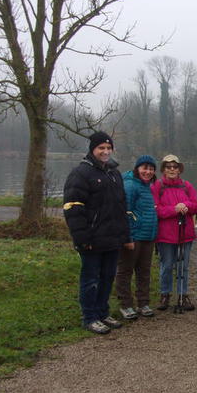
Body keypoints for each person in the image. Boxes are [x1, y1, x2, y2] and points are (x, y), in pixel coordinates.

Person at [63, 131, 131, 334]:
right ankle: (90, 317)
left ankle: (102, 312)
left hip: (112, 239)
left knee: (107, 277)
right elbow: (73, 207)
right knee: (90, 279)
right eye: (101, 148)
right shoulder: (81, 173)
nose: (106, 151)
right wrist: (82, 238)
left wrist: (125, 235)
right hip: (91, 239)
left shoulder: (114, 173)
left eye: (109, 148)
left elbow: (121, 207)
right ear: (92, 149)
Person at [151, 154, 197, 312]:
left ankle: (182, 294)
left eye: (175, 166)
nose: (172, 169)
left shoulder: (187, 186)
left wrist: (186, 205)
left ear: (179, 169)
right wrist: (174, 209)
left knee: (183, 266)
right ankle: (165, 294)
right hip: (165, 235)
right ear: (163, 169)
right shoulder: (157, 187)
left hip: (185, 234)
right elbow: (156, 210)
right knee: (166, 266)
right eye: (168, 167)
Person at [115, 155, 159, 320]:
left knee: (144, 271)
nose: (148, 171)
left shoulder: (148, 186)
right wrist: (128, 237)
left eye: (151, 168)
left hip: (148, 236)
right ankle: (125, 305)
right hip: (134, 236)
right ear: (137, 168)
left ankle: (143, 303)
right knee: (125, 271)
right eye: (144, 168)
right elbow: (125, 212)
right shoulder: (130, 185)